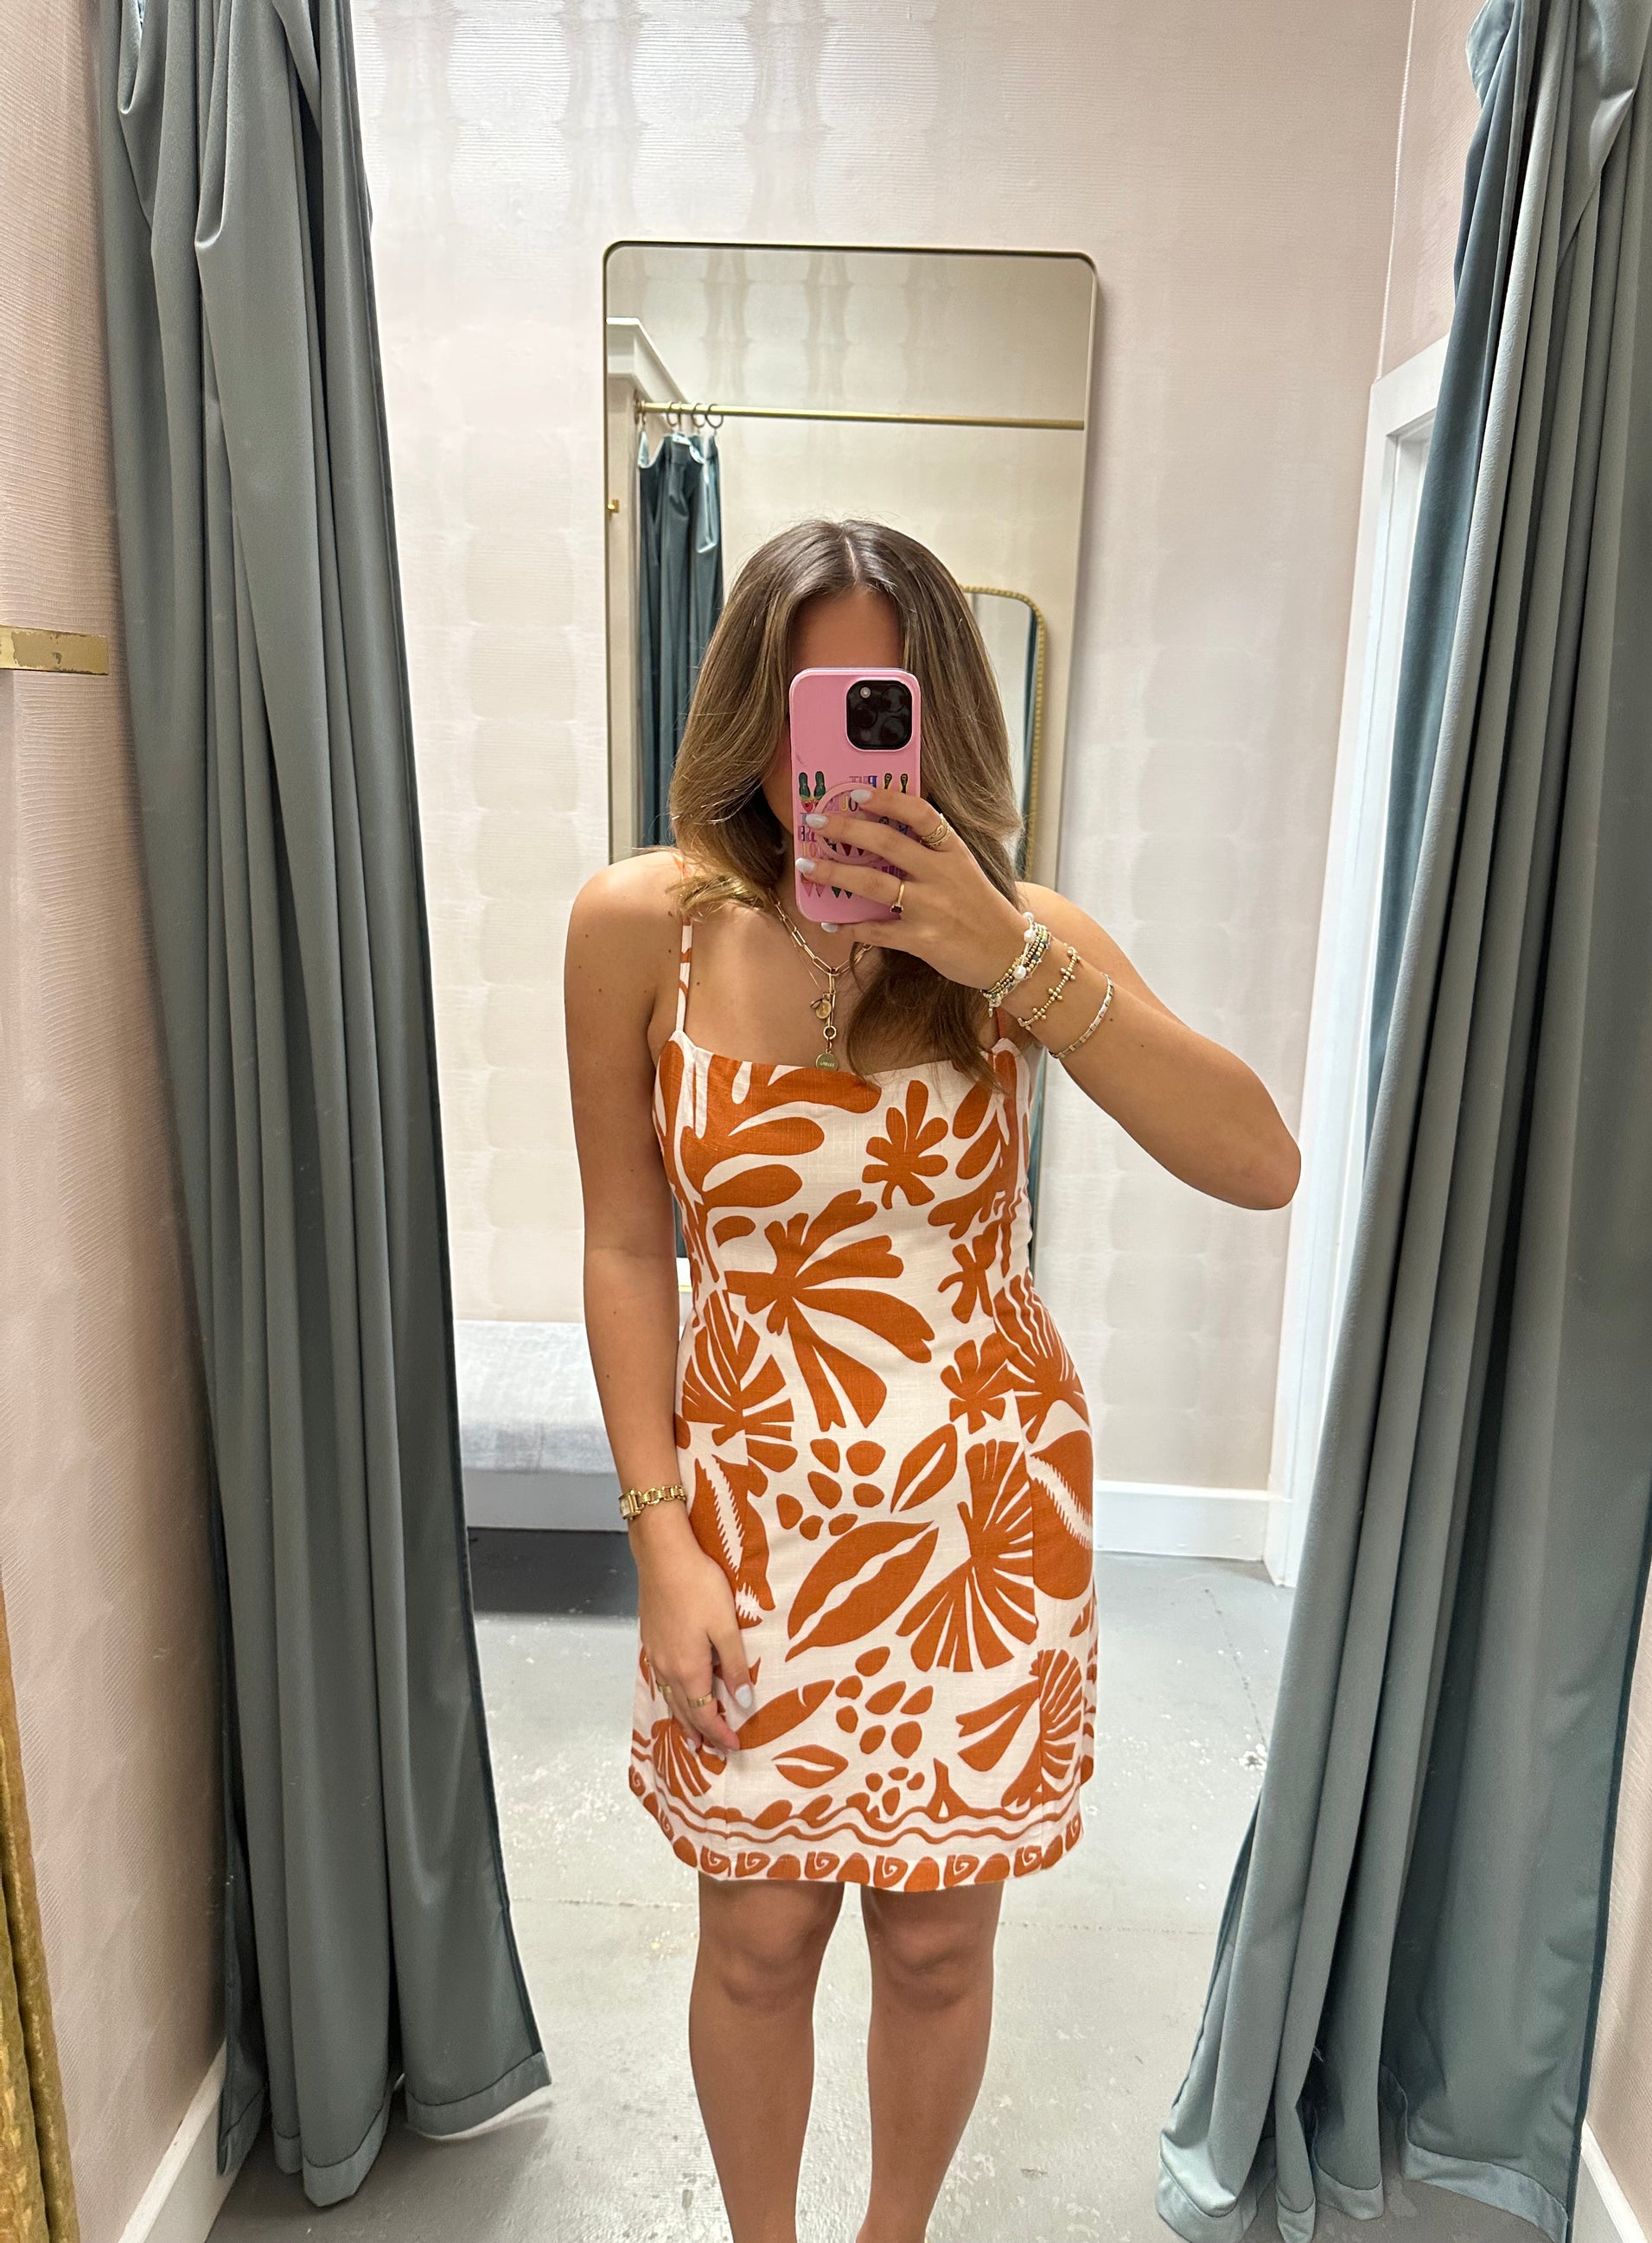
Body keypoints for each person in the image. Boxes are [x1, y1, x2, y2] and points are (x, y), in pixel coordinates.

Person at [564, 519, 1299, 2243]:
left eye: (873, 706)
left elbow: (1257, 1160)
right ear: (749, 708)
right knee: (757, 1933)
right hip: (746, 1511)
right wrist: (658, 1534)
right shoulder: (642, 927)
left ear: (936, 716)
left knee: (937, 1939)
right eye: (803, 703)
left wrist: (1004, 956)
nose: (827, 758)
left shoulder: (1017, 940)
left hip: (981, 1514)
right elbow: (623, 1246)